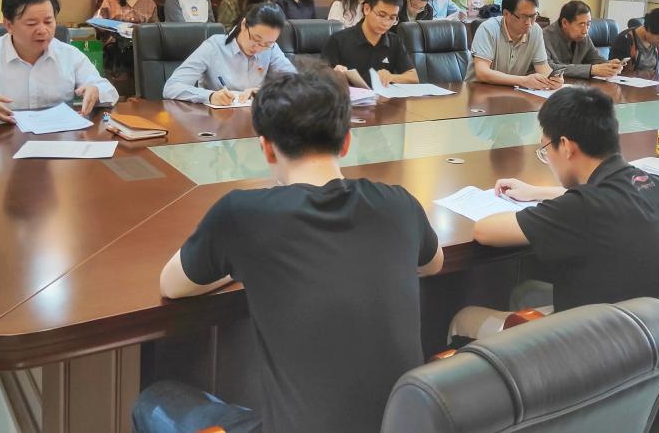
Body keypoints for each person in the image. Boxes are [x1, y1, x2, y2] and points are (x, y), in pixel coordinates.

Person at [133, 69, 443, 433]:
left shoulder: (243, 214)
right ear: (346, 142)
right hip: (404, 424)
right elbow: (433, 264)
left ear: (265, 147)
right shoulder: (399, 204)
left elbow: (172, 285)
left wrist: (243, 262)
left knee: (153, 400)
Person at [452, 86, 659, 334]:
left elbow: (484, 231)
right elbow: (601, 196)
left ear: (566, 146)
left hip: (592, 345)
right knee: (524, 292)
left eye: (545, 149)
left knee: (463, 319)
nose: (547, 158)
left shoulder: (582, 209)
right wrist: (537, 192)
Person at [163, 3, 296, 105]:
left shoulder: (271, 49)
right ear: (244, 25)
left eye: (267, 43)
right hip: (215, 123)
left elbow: (296, 85)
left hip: (255, 122)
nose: (259, 48)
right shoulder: (214, 47)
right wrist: (210, 96)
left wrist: (263, 93)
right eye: (255, 39)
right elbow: (171, 87)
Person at [464, 0, 561, 91]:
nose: (529, 23)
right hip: (479, 92)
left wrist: (553, 80)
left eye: (533, 16)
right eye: (524, 17)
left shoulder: (535, 31)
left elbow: (542, 68)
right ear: (506, 14)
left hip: (511, 92)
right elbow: (482, 73)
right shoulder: (488, 29)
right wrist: (523, 81)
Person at [322, 0, 419, 86]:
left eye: (392, 18)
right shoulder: (338, 40)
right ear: (367, 9)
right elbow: (319, 78)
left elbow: (413, 78)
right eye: (381, 15)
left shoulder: (394, 42)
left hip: (382, 96)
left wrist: (391, 77)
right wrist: (333, 74)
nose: (386, 23)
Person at [94, 0, 160, 73]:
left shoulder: (149, 2)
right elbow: (98, 22)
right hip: (115, 45)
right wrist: (117, 27)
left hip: (140, 44)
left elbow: (155, 28)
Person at [542, 0, 623, 79]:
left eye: (588, 24)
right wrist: (591, 70)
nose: (585, 31)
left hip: (579, 84)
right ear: (565, 23)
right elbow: (547, 68)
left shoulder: (583, 36)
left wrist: (609, 65)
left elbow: (594, 58)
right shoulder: (544, 37)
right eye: (581, 24)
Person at [609, 8, 659, 76]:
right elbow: (614, 72)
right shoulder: (625, 40)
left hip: (650, 82)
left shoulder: (657, 44)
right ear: (649, 29)